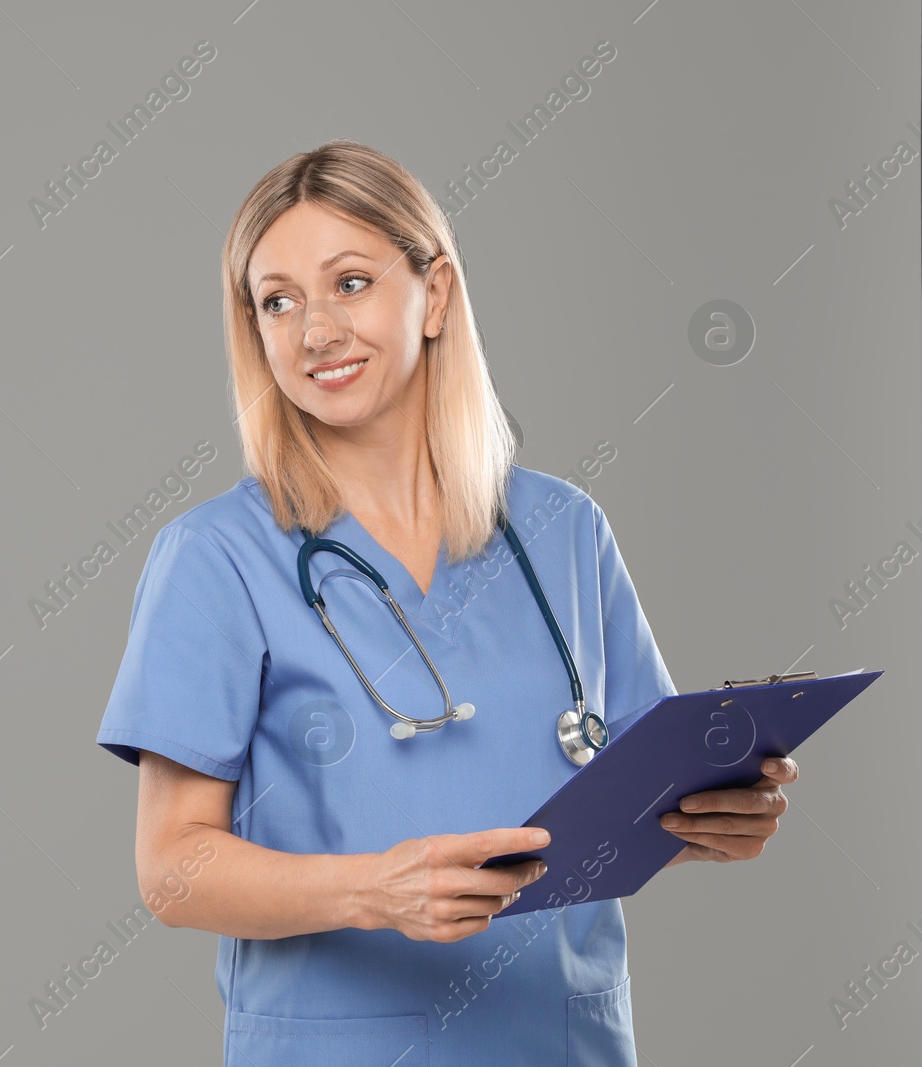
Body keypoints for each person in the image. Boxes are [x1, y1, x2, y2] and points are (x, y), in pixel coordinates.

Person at [94, 140, 798, 1066]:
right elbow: (172, 870)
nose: (314, 331)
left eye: (350, 283)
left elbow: (638, 799)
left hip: (564, 1042)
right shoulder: (217, 557)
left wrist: (717, 822)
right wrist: (369, 891)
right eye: (278, 300)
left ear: (434, 294)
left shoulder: (563, 530)